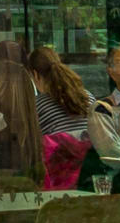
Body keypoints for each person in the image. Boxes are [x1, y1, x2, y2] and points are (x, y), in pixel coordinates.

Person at [23, 44, 97, 189]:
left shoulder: (36, 105)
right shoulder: (89, 97)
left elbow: (30, 148)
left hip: (58, 181)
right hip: (89, 177)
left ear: (36, 75)